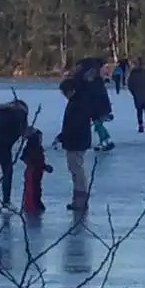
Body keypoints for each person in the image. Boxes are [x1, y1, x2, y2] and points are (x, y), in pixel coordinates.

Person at [56, 78, 91, 211]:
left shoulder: (77, 103)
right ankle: (79, 199)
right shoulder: (77, 101)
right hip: (76, 140)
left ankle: (80, 200)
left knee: (77, 170)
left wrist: (64, 136)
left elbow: (74, 125)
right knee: (76, 170)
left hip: (76, 142)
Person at [20, 128, 52, 214]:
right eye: (40, 138)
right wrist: (44, 167)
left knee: (36, 188)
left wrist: (44, 167)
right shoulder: (32, 148)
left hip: (37, 172)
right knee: (32, 188)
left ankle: (35, 203)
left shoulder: (37, 148)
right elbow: (34, 160)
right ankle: (32, 205)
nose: (41, 140)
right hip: (32, 172)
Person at [127, 57, 145, 133]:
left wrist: (134, 93)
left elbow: (130, 85)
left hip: (138, 95)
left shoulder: (133, 74)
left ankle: (141, 125)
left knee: (139, 111)